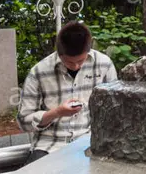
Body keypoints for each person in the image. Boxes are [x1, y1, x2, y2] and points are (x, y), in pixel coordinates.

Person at [17, 21, 118, 164]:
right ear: (59, 53)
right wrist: (56, 112)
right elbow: (23, 121)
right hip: (49, 145)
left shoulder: (104, 65)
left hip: (90, 141)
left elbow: (114, 108)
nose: (76, 66)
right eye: (70, 62)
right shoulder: (39, 72)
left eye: (81, 61)